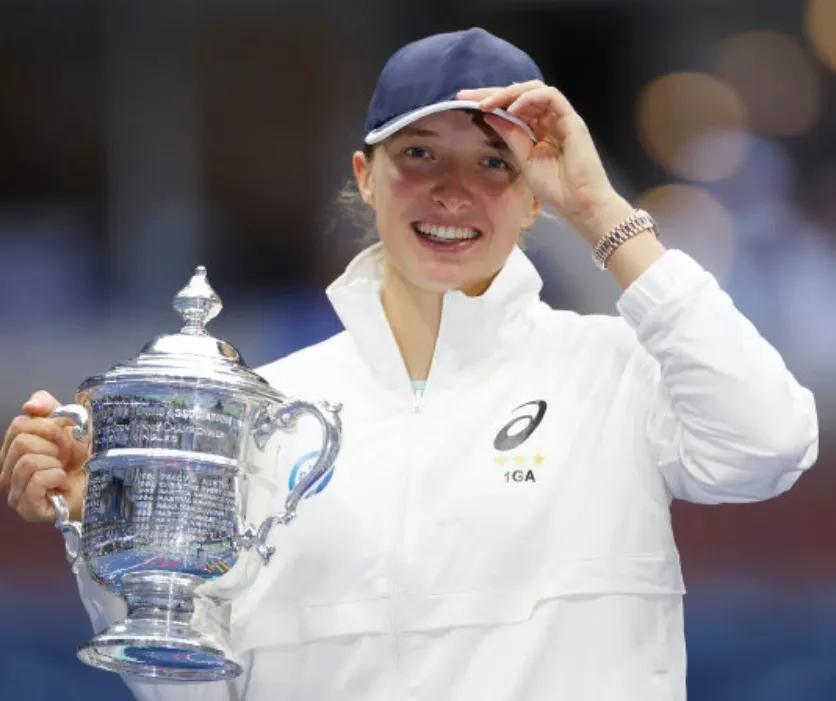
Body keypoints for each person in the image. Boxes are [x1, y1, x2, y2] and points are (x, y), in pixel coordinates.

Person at [0, 27, 819, 701]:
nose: (453, 191)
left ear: (537, 195)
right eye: (419, 154)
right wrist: (106, 531)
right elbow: (192, 689)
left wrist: (601, 210)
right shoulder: (270, 410)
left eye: (494, 162)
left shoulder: (616, 373)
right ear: (366, 177)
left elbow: (771, 440)